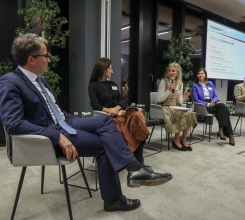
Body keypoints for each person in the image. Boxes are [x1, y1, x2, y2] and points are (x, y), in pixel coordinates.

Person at [0, 33, 172, 212]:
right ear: (31, 59)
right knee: (106, 144)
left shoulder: (41, 82)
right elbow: (13, 124)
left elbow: (56, 111)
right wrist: (57, 136)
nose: (49, 60)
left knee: (105, 121)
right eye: (45, 55)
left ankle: (134, 169)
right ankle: (116, 196)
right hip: (50, 135)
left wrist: (78, 120)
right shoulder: (10, 82)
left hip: (66, 122)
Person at [88, 58, 150, 163]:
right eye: (110, 69)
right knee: (130, 126)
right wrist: (111, 111)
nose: (112, 71)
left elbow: (122, 100)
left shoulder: (113, 84)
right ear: (103, 69)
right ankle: (136, 160)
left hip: (120, 113)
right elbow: (95, 105)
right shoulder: (93, 85)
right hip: (106, 117)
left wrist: (117, 109)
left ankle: (137, 160)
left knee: (137, 115)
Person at [157, 62, 197, 151]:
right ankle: (176, 140)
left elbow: (180, 101)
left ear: (177, 73)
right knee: (180, 114)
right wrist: (169, 90)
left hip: (175, 106)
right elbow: (159, 99)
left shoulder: (180, 83)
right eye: (169, 70)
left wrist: (185, 98)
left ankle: (183, 139)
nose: (171, 72)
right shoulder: (164, 82)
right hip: (165, 107)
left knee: (190, 113)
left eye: (173, 71)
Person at [192, 68, 235, 146]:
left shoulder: (210, 83)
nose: (201, 75)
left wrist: (214, 101)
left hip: (212, 103)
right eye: (199, 73)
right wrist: (208, 104)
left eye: (202, 73)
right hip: (203, 105)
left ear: (205, 75)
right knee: (224, 110)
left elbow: (215, 95)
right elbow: (196, 99)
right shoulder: (195, 86)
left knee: (222, 106)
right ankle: (230, 134)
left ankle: (221, 130)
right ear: (197, 75)